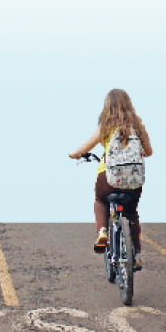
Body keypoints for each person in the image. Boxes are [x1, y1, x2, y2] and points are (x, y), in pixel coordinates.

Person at [69, 89, 152, 269]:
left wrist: (74, 154)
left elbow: (85, 147)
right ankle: (136, 255)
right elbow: (149, 152)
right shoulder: (137, 125)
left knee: (100, 200)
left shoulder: (105, 126)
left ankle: (103, 232)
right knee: (131, 214)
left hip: (108, 177)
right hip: (133, 180)